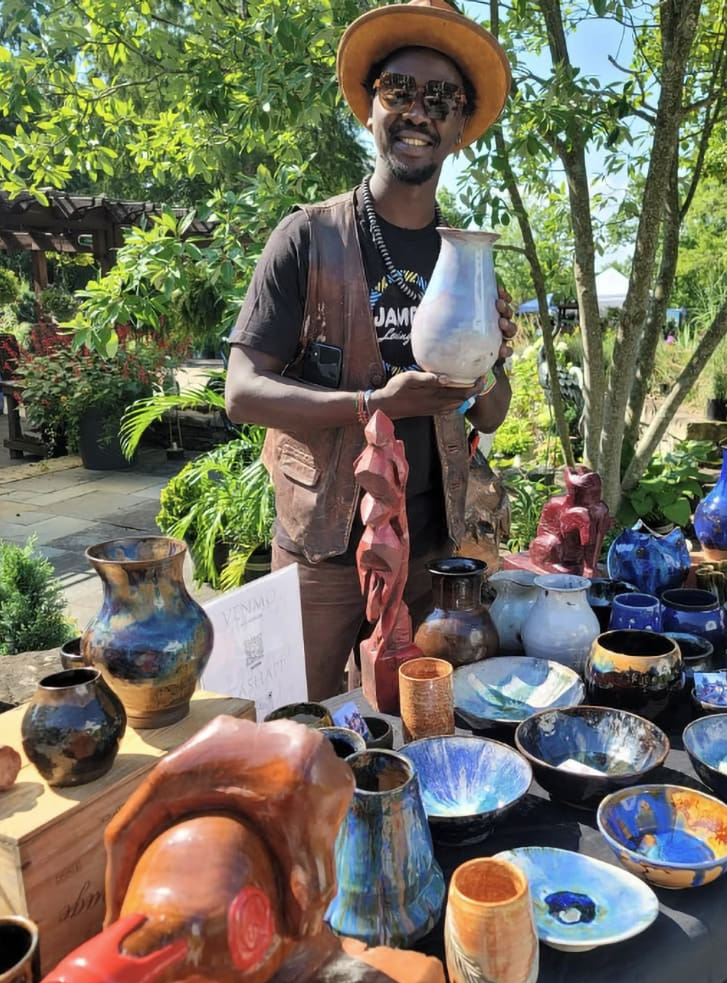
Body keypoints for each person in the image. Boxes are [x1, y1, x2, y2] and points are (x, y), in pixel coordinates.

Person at [226, 0, 515, 699]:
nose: (419, 111)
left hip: (432, 546)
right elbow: (240, 394)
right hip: (324, 546)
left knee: (417, 716)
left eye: (440, 98)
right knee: (303, 718)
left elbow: (492, 416)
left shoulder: (468, 259)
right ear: (370, 109)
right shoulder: (307, 238)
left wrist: (491, 362)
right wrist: (368, 403)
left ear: (459, 128)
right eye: (399, 92)